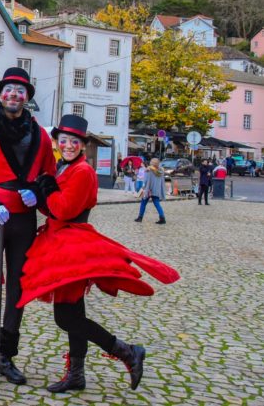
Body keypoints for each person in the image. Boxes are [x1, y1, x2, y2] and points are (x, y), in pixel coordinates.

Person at [19, 114, 179, 393]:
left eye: (74, 142)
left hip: (73, 246)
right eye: (64, 140)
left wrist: (46, 192)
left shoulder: (82, 172)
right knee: (73, 312)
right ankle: (77, 375)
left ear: (83, 144)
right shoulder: (64, 168)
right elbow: (52, 209)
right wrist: (41, 196)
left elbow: (65, 209)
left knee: (65, 317)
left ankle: (126, 351)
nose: (68, 145)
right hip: (60, 241)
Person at [0, 67, 57, 388]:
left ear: (27, 96)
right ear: (0, 94)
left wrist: (39, 192)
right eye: (9, 90)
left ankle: (5, 358)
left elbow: (49, 176)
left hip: (24, 220)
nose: (14, 95)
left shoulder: (41, 135)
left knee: (17, 290)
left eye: (20, 90)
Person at [135, 157, 166, 224]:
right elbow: (162, 181)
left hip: (148, 190)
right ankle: (162, 218)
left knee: (143, 203)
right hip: (156, 190)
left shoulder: (149, 170)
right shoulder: (161, 171)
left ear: (152, 163)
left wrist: (143, 187)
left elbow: (146, 181)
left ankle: (140, 217)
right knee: (157, 204)